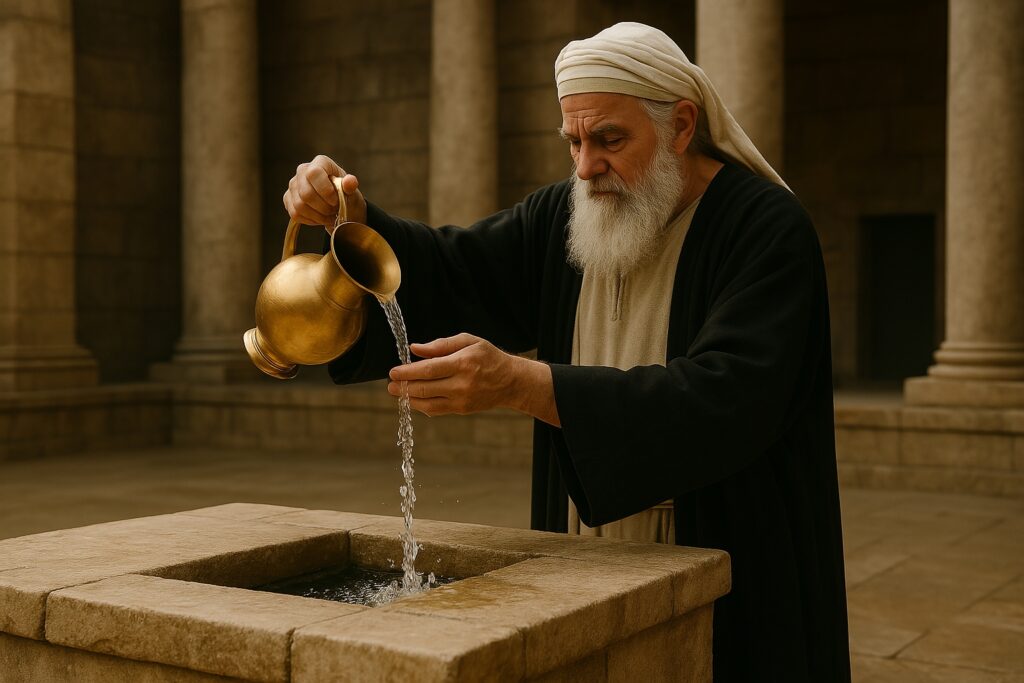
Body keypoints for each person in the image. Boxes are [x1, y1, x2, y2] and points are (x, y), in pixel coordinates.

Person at [283, 22, 850, 683]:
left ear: (683, 124)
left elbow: (729, 395)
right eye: (574, 141)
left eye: (609, 140)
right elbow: (451, 270)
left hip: (733, 573)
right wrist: (348, 221)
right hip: (586, 565)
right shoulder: (564, 215)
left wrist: (528, 385)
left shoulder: (765, 230)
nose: (586, 166)